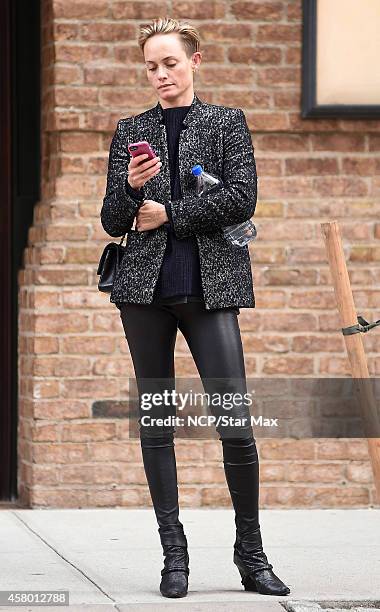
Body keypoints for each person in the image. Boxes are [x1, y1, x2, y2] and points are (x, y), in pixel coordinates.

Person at [100, 16, 290, 599]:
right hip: (144, 295)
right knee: (158, 425)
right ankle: (173, 556)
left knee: (236, 422)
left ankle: (251, 555)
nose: (161, 74)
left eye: (171, 63)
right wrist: (131, 190)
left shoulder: (227, 122)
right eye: (152, 66)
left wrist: (171, 213)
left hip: (210, 290)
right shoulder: (130, 129)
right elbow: (111, 219)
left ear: (195, 61)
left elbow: (242, 198)